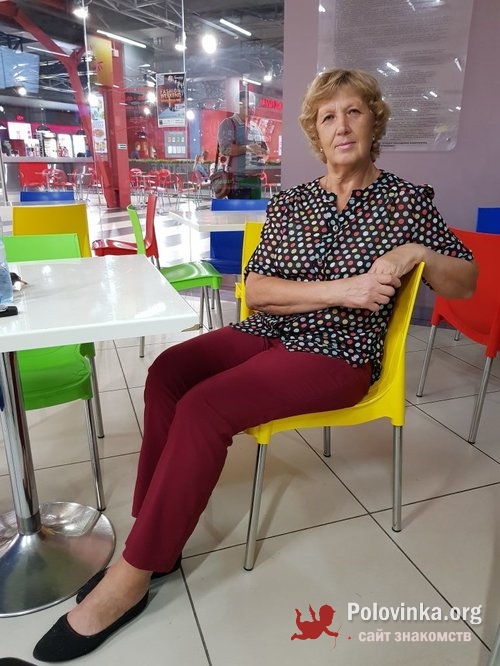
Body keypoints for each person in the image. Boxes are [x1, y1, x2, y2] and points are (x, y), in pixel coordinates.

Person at [33, 68, 477, 662]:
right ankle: (154, 541)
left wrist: (417, 250)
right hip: (267, 331)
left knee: (204, 408)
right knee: (168, 372)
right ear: (316, 133)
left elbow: (465, 281)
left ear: (375, 121)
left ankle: (131, 577)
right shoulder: (294, 201)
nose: (341, 126)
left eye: (353, 111)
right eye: (328, 116)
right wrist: (343, 290)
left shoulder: (405, 202)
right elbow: (258, 291)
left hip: (337, 353)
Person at [217, 90, 269, 198]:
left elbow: (264, 148)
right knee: (238, 209)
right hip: (238, 181)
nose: (251, 110)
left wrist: (263, 155)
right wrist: (247, 148)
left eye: (252, 106)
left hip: (256, 180)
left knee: (256, 209)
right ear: (238, 106)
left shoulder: (255, 127)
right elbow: (225, 149)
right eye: (247, 107)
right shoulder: (229, 124)